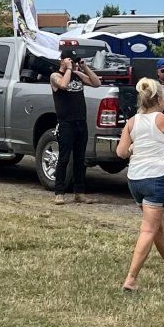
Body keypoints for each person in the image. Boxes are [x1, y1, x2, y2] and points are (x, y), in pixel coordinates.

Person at [115, 77, 164, 294]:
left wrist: (134, 147)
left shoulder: (132, 122)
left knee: (157, 226)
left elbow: (121, 152)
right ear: (159, 98)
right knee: (150, 228)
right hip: (157, 177)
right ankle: (131, 278)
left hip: (135, 179)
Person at [49, 42, 102, 205]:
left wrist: (84, 68)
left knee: (80, 159)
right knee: (64, 158)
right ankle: (59, 192)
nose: (71, 62)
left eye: (72, 60)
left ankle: (79, 192)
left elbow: (96, 83)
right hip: (66, 123)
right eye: (68, 59)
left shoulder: (77, 75)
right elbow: (63, 85)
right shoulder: (55, 76)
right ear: (62, 61)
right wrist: (68, 69)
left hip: (81, 122)